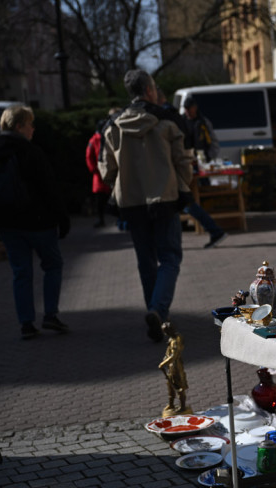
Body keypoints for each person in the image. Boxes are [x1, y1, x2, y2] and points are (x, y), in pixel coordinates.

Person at [100, 70, 193, 343]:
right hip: (165, 198)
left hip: (131, 202)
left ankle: (156, 313)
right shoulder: (167, 120)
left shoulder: (114, 124)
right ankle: (158, 311)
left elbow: (106, 168)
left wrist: (121, 185)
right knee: (170, 257)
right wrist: (181, 186)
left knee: (145, 261)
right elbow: (183, 160)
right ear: (150, 90)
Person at [0, 105, 71, 340]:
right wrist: (62, 219)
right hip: (38, 222)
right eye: (29, 124)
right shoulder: (31, 152)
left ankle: (26, 322)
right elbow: (49, 189)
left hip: (8, 224)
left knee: (21, 273)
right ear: (19, 126)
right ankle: (50, 314)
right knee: (53, 265)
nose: (33, 128)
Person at [180, 96, 229, 250]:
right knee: (187, 203)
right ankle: (213, 229)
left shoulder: (202, 122)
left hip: (199, 164)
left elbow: (213, 143)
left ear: (195, 108)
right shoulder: (181, 122)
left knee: (190, 202)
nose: (188, 112)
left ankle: (214, 229)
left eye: (190, 109)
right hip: (186, 165)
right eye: (186, 109)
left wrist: (207, 160)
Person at [86, 108, 119, 228]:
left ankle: (102, 219)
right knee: (114, 198)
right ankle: (117, 219)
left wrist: (94, 169)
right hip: (107, 173)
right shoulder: (107, 136)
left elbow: (89, 156)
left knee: (101, 201)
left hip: (99, 175)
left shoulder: (94, 139)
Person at [158, 321, 190, 417]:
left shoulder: (176, 340)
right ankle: (171, 404)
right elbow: (168, 353)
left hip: (176, 366)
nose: (165, 334)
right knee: (170, 385)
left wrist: (162, 364)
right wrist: (165, 360)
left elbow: (174, 355)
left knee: (179, 386)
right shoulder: (171, 338)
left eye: (166, 331)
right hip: (170, 367)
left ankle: (183, 406)